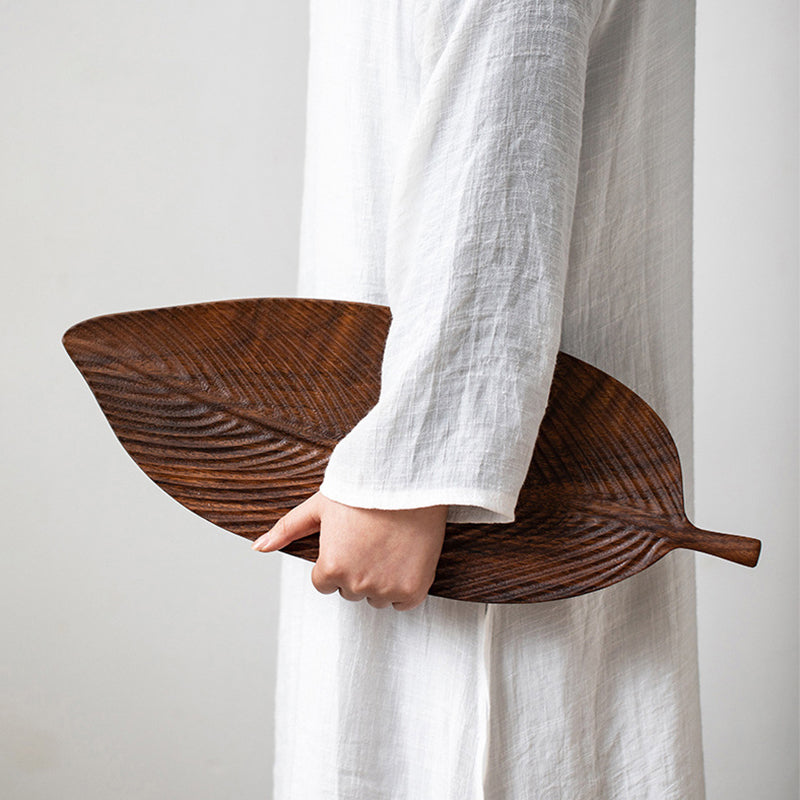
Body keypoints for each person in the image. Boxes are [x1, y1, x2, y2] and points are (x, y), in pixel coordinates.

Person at [253, 0, 706, 796]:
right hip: (418, 427)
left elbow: (500, 140)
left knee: (476, 742)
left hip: (466, 488)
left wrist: (412, 470)